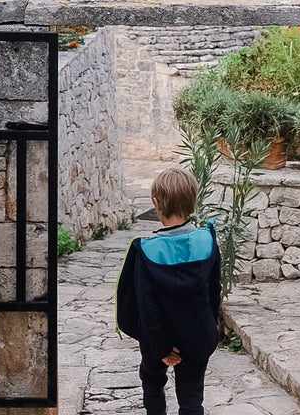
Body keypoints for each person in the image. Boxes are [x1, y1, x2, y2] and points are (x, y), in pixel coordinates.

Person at [116, 167, 221, 415]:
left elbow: (146, 306)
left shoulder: (146, 251)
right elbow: (213, 293)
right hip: (197, 334)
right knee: (192, 398)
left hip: (157, 339)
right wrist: (210, 329)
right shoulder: (207, 242)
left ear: (155, 203)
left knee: (153, 383)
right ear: (192, 202)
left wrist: (161, 347)